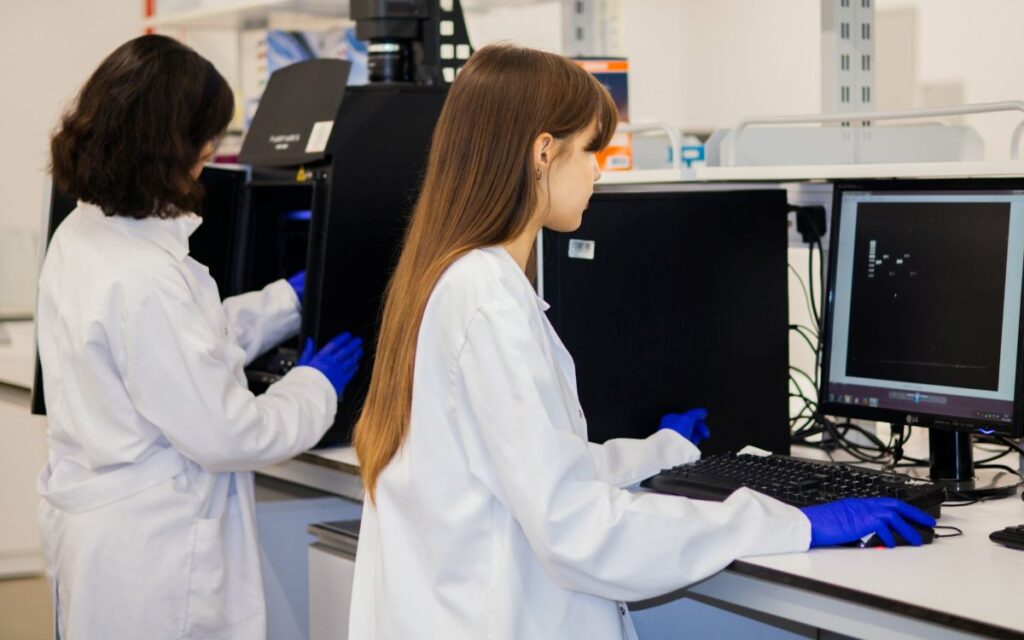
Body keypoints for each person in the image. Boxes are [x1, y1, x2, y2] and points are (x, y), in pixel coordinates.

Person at [349, 44, 935, 639]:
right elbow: (578, 530)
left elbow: (538, 465)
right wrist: (792, 523)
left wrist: (661, 452)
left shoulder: (452, 279)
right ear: (543, 152)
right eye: (590, 149)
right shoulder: (488, 300)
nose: (597, 171)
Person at [36, 34, 362, 639]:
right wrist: (314, 387)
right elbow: (230, 432)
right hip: (153, 552)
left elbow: (180, 346)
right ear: (167, 144)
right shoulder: (146, 277)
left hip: (103, 530)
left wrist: (288, 301)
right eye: (205, 137)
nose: (212, 151)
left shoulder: (86, 232)